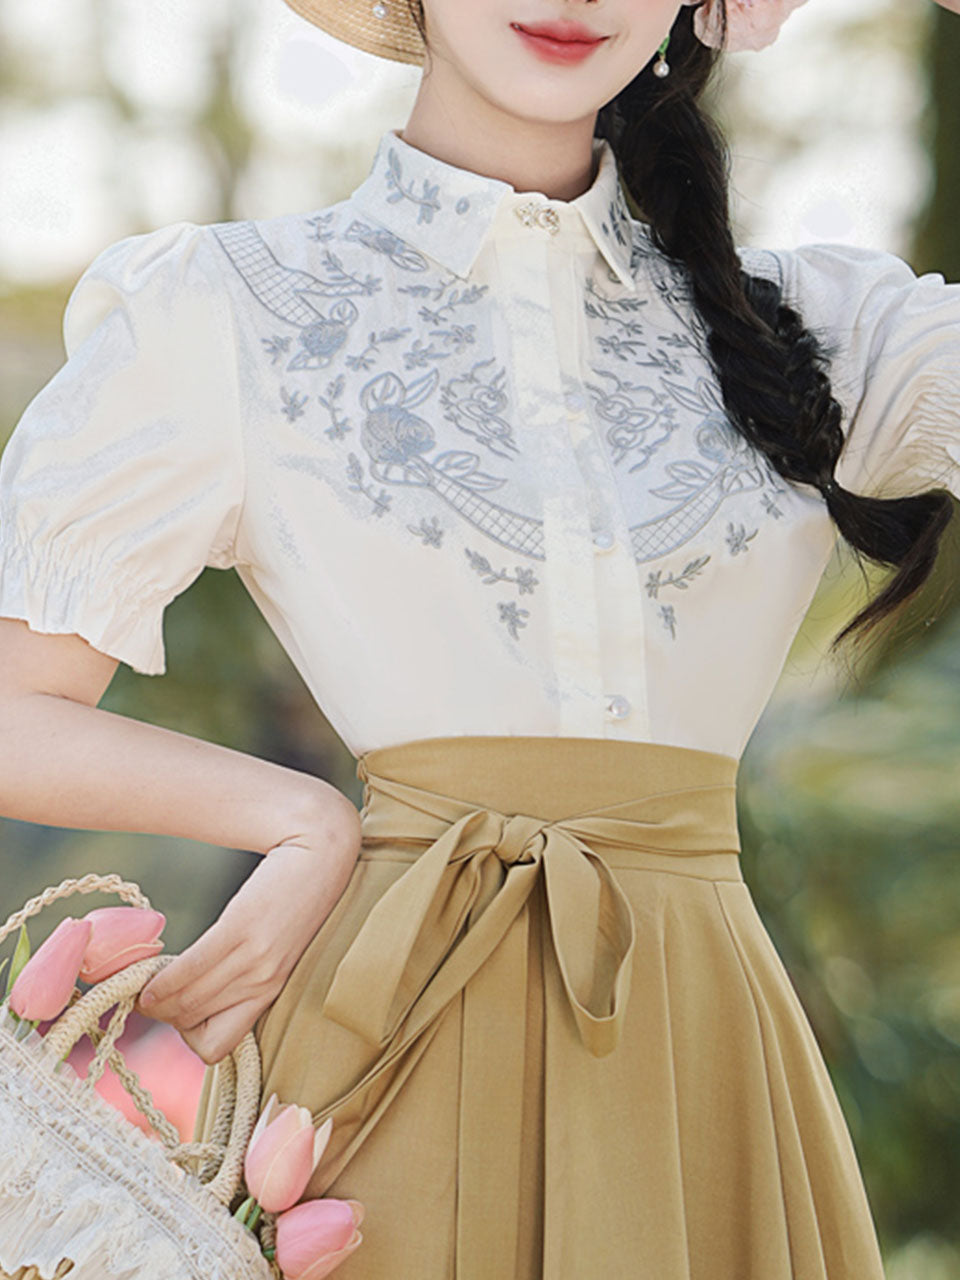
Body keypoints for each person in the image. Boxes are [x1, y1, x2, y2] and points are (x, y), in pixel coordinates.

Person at [0, 0, 958, 1275]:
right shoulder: (230, 309)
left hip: (708, 1057)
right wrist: (304, 817)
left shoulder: (826, 329)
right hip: (394, 1039)